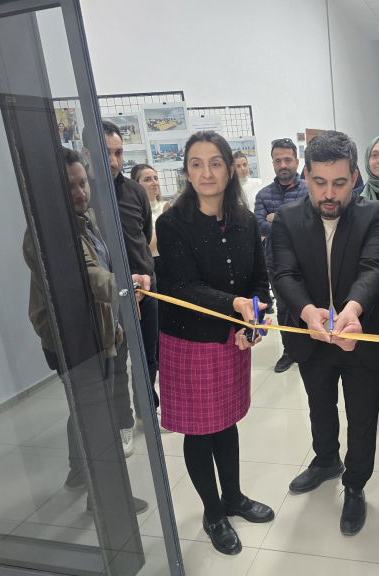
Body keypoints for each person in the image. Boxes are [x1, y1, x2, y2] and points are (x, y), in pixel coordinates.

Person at [272, 130, 379, 536]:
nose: (329, 194)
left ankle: (355, 484)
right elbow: (284, 274)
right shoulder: (288, 219)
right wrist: (307, 312)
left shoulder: (374, 215)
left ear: (355, 177)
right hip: (311, 337)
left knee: (362, 416)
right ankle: (326, 459)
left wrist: (352, 311)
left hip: (359, 336)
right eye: (320, 182)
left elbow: (372, 269)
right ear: (306, 176)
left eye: (340, 183)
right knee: (319, 406)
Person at [155, 131, 274, 556]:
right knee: (199, 429)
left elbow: (259, 279)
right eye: (196, 164)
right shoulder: (172, 223)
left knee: (226, 421)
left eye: (215, 163)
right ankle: (213, 513)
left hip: (231, 339)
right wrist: (236, 305)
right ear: (186, 172)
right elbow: (184, 287)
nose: (206, 172)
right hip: (189, 340)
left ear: (230, 169)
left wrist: (253, 321)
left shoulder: (246, 220)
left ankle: (234, 497)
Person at [23, 148, 150, 514]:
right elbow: (88, 278)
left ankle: (78, 472)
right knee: (98, 418)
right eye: (70, 187)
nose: (80, 193)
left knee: (86, 408)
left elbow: (100, 269)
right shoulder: (48, 232)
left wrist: (113, 324)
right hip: (72, 342)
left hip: (95, 332)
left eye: (83, 183)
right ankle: (108, 502)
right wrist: (127, 285)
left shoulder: (84, 218)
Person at [103, 121, 158, 457]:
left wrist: (142, 277)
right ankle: (123, 424)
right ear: (88, 152)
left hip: (145, 291)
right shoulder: (85, 193)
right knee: (118, 360)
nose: (113, 160)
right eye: (106, 152)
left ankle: (147, 411)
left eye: (119, 153)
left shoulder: (136, 192)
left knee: (148, 356)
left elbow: (144, 234)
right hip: (110, 297)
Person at [253, 138, 309, 373]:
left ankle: (311, 348)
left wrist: (275, 217)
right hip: (276, 264)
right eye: (278, 161)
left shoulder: (309, 190)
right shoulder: (263, 194)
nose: (283, 165)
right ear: (273, 163)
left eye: (287, 160)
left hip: (308, 262)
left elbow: (311, 224)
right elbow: (259, 226)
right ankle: (290, 351)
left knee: (310, 307)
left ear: (296, 161)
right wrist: (290, 220)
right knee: (284, 310)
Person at [130, 162, 171, 433]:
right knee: (149, 348)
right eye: (147, 179)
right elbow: (145, 246)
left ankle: (163, 403)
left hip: (166, 274)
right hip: (147, 275)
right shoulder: (141, 211)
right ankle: (147, 408)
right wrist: (165, 224)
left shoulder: (164, 207)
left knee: (162, 346)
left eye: (155, 178)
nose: (154, 183)